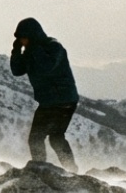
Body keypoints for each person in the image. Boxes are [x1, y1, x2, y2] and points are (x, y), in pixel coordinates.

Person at [10, 17, 79, 172]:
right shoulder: (30, 51)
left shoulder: (53, 47)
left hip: (60, 101)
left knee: (37, 138)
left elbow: (47, 67)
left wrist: (33, 48)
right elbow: (17, 71)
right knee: (56, 138)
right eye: (21, 39)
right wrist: (16, 51)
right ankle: (71, 171)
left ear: (33, 36)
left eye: (24, 38)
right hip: (52, 101)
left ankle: (40, 169)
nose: (23, 41)